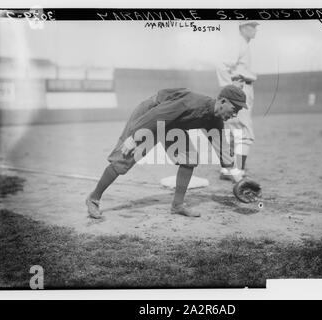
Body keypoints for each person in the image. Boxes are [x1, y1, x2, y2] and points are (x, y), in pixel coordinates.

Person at [86, 85, 247, 219]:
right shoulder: (191, 103)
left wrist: (238, 179)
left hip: (172, 123)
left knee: (189, 159)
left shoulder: (216, 119)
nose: (235, 115)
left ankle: (177, 205)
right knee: (124, 160)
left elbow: (223, 149)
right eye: (235, 109)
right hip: (151, 114)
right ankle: (93, 198)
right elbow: (158, 115)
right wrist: (134, 137)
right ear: (223, 101)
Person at [216, 21, 259, 181]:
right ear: (242, 28)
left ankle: (227, 170)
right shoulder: (239, 44)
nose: (255, 29)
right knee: (245, 131)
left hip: (241, 88)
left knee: (233, 130)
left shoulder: (242, 44)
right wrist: (230, 87)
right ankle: (237, 171)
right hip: (241, 89)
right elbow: (221, 65)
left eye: (255, 26)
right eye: (251, 26)